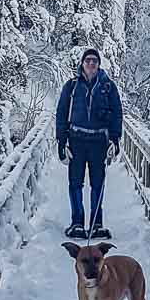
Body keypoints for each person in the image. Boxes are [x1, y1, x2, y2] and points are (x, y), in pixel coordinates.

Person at [56, 48, 122, 239]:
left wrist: (115, 140)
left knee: (98, 184)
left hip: (98, 141)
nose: (91, 64)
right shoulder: (72, 86)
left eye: (94, 60)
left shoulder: (108, 87)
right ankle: (77, 222)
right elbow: (61, 114)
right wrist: (62, 141)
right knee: (75, 183)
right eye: (88, 60)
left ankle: (96, 223)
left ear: (99, 64)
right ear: (82, 63)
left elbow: (117, 114)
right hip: (76, 140)